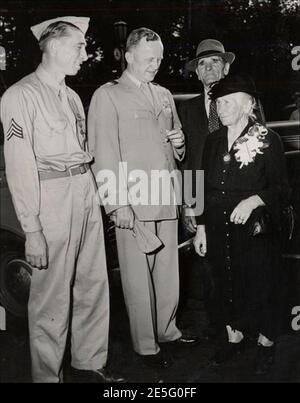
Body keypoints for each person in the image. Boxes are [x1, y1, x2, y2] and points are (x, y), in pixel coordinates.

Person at [0, 17, 123, 383]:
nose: (85, 55)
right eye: (79, 47)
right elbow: (20, 165)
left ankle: (88, 364)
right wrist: (32, 229)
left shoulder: (71, 96)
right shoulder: (19, 95)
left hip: (84, 190)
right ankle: (47, 377)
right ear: (53, 47)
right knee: (51, 297)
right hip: (50, 195)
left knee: (93, 284)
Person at [88, 27, 198, 369]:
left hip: (165, 195)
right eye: (150, 58)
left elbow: (177, 148)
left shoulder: (164, 94)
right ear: (130, 55)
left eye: (160, 58)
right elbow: (102, 153)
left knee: (168, 271)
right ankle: (146, 346)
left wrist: (179, 145)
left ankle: (167, 331)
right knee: (137, 276)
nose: (156, 64)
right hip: (132, 201)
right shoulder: (108, 95)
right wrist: (116, 203)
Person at [193, 73, 290, 373]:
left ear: (248, 105)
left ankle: (265, 342)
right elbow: (198, 184)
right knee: (226, 282)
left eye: (227, 102)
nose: (219, 109)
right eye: (217, 102)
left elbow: (283, 189)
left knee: (260, 284)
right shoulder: (212, 140)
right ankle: (233, 336)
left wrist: (253, 201)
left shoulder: (267, 139)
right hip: (218, 226)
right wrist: (200, 226)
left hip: (254, 232)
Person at [177, 40, 235, 337]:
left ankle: (238, 325)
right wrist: (189, 203)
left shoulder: (245, 102)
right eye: (202, 63)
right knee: (203, 262)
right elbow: (185, 160)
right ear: (197, 73)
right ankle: (213, 331)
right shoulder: (185, 110)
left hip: (236, 193)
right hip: (199, 193)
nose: (208, 67)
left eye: (214, 62)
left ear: (225, 68)